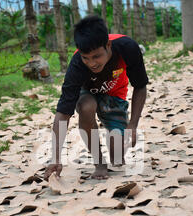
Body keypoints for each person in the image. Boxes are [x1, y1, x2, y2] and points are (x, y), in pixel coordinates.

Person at [43, 16, 148, 180]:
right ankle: (99, 163)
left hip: (114, 95)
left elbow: (140, 86)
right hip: (88, 94)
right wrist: (56, 157)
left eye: (97, 56)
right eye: (86, 58)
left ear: (108, 45)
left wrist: (132, 126)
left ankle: (115, 138)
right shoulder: (77, 64)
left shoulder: (127, 47)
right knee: (85, 107)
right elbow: (63, 113)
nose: (92, 64)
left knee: (118, 158)